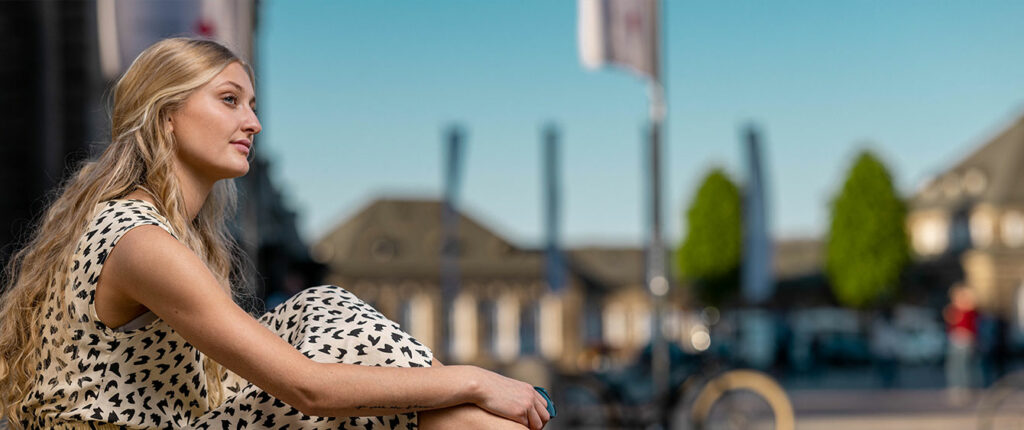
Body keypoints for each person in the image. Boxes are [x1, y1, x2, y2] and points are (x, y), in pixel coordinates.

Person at [0, 38, 551, 429]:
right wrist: (475, 379)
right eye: (230, 100)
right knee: (327, 315)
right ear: (166, 115)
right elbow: (307, 389)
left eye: (253, 105)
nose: (254, 124)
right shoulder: (138, 240)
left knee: (324, 326)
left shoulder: (145, 228)